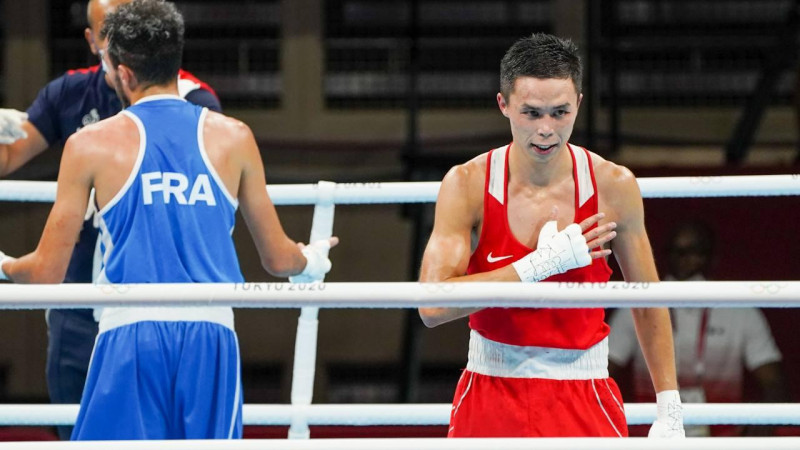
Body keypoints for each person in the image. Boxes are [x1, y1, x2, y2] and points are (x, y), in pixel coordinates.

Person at [0, 0, 336, 440]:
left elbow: (46, 273)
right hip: (211, 337)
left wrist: (4, 265)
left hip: (130, 333)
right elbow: (278, 259)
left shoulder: (90, 145)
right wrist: (309, 260)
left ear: (124, 74)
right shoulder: (234, 137)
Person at [417, 33, 684, 438]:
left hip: (584, 393)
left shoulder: (612, 186)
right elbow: (432, 307)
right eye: (532, 113)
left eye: (560, 113)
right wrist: (539, 266)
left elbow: (647, 302)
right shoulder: (467, 184)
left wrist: (670, 408)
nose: (546, 130)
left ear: (579, 103)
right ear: (503, 104)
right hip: (491, 391)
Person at [0, 0, 220, 440]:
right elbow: (8, 159)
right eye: (110, 32)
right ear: (92, 39)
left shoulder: (195, 102)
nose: (122, 41)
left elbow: (204, 201)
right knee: (77, 431)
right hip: (79, 294)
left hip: (159, 300)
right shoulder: (70, 93)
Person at [609, 220, 786, 436]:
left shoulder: (740, 309)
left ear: (712, 257)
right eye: (677, 252)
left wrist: (758, 430)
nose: (685, 259)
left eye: (695, 251)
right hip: (655, 437)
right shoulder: (641, 306)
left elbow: (774, 383)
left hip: (723, 439)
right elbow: (604, 370)